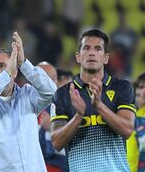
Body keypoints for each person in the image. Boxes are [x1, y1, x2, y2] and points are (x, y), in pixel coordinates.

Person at [0, 32, 57, 172]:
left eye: (2, 66)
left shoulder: (27, 96)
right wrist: (6, 74)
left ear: (15, 72)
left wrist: (23, 63)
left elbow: (51, 91)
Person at [50, 29, 136, 171]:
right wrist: (78, 116)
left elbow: (127, 130)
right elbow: (57, 142)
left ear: (106, 58)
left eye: (98, 49)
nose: (91, 53)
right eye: (86, 48)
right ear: (78, 56)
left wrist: (99, 106)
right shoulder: (63, 94)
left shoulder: (122, 87)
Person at [37, 61, 68, 172]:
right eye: (47, 78)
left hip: (60, 165)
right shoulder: (22, 107)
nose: (52, 83)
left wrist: (52, 127)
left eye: (54, 78)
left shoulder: (66, 105)